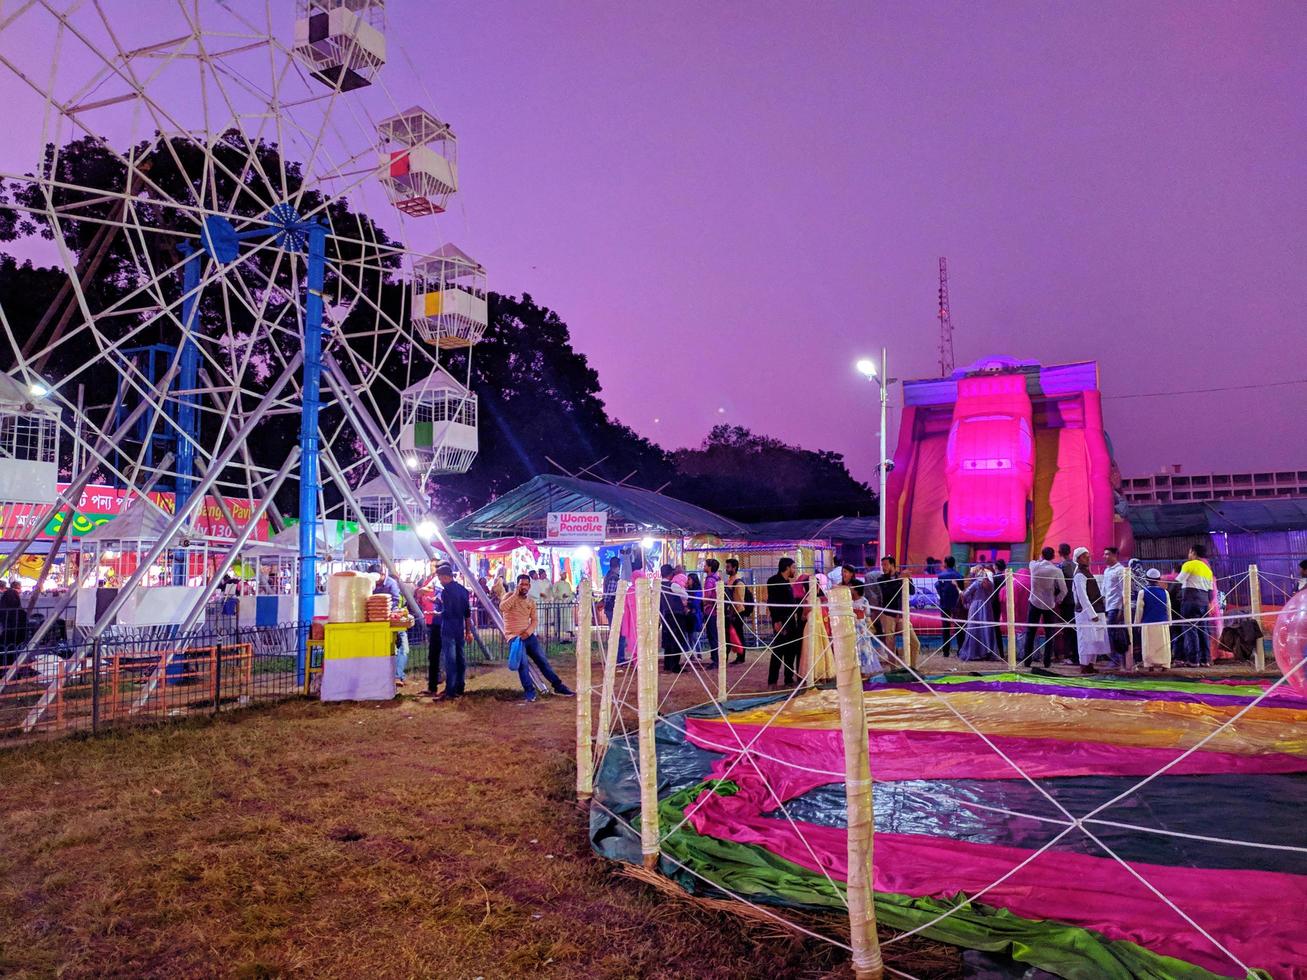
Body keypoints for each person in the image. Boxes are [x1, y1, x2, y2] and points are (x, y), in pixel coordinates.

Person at [501, 574, 575, 701]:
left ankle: (558, 686)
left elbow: (534, 620)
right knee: (523, 665)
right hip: (515, 638)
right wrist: (515, 594)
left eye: (526, 584)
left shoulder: (531, 602)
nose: (524, 587)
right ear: (517, 585)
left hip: (528, 636)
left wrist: (528, 632)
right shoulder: (508, 597)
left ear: (529, 586)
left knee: (543, 661)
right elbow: (503, 607)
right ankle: (530, 692)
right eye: (521, 584)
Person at [1024, 547, 1068, 668]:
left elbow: (1033, 561)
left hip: (1034, 602)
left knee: (1030, 633)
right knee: (1050, 634)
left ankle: (1027, 661)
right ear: (1053, 557)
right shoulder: (1056, 571)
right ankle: (1047, 662)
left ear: (1042, 555)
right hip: (1049, 604)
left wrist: (1039, 559)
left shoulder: (1033, 566)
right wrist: (1057, 600)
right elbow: (1064, 590)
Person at [434, 565, 473, 700]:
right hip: (459, 627)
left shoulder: (446, 592)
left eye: (440, 578)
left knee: (450, 660)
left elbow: (447, 612)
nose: (439, 581)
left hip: (448, 628)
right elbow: (467, 612)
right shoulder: (463, 590)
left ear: (446, 577)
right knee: (460, 658)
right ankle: (460, 687)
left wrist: (436, 613)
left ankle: (450, 691)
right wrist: (468, 631)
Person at [1072, 547, 1110, 674]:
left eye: (1088, 556)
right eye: (1084, 556)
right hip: (1086, 613)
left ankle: (1090, 664)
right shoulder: (1079, 575)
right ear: (1078, 559)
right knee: (1085, 639)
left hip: (1097, 610)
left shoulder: (1087, 572)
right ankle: (1084, 665)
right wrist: (1092, 613)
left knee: (1096, 639)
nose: (1088, 558)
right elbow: (1082, 596)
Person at [370, 563, 409, 687]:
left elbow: (396, 600)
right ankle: (396, 676)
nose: (375, 581)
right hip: (378, 623)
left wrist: (388, 612)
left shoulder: (391, 583)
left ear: (382, 574)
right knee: (389, 649)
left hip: (395, 619)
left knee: (404, 647)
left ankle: (398, 675)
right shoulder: (371, 584)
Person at [1176, 544, 1215, 666]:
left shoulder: (1189, 564)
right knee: (1203, 630)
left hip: (1190, 601)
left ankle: (1193, 660)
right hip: (1204, 603)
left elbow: (1178, 581)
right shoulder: (1208, 569)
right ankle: (1206, 660)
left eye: (1189, 552)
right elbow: (1210, 591)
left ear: (1193, 552)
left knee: (1190, 630)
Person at [766, 557, 802, 686]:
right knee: (778, 651)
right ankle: (772, 680)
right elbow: (772, 602)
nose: (795, 570)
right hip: (781, 621)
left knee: (790, 651)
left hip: (791, 620)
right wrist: (776, 621)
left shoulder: (787, 583)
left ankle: (788, 678)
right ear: (787, 567)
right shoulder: (773, 581)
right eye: (793, 567)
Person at [875, 556, 915, 657]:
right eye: (882, 565)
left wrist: (908, 579)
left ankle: (912, 667)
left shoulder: (902, 576)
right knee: (890, 644)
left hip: (902, 615)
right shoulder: (881, 579)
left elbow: (912, 591)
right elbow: (889, 593)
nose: (883, 567)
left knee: (914, 642)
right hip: (888, 615)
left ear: (892, 565)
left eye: (885, 565)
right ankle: (893, 669)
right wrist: (900, 579)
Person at [959, 565, 999, 661]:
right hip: (987, 607)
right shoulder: (990, 584)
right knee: (986, 629)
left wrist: (959, 590)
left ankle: (975, 652)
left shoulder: (976, 584)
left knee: (974, 629)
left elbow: (965, 594)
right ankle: (987, 652)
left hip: (976, 607)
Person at [1135, 568, 1173, 671]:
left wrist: (1137, 624)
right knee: (1164, 645)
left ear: (1146, 579)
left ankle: (1149, 665)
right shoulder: (1165, 592)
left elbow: (1139, 610)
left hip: (1148, 623)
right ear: (1158, 579)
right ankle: (1165, 665)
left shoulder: (1142, 592)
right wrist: (1169, 622)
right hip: (1163, 623)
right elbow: (1168, 608)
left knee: (1149, 645)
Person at [1101, 547, 1128, 666]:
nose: (1104, 556)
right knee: (1110, 633)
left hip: (1116, 606)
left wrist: (1121, 609)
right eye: (1104, 554)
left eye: (1107, 554)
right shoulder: (1107, 571)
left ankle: (1117, 659)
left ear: (1115, 555)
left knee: (1115, 633)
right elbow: (1104, 590)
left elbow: (1124, 591)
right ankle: (1115, 658)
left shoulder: (1120, 570)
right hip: (1107, 606)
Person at [659, 564, 688, 672]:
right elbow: (685, 595)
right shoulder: (673, 585)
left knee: (668, 639)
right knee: (677, 639)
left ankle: (667, 664)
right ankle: (675, 665)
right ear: (671, 574)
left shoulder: (658, 585)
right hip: (676, 614)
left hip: (665, 614)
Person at [416, 582, 442, 696]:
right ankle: (433, 686)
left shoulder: (443, 588)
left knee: (442, 655)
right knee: (434, 656)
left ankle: (444, 686)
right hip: (435, 623)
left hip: (442, 624)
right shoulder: (435, 583)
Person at [935, 556, 964, 656]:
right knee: (959, 627)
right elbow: (962, 590)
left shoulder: (941, 575)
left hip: (944, 604)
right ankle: (961, 650)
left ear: (946, 563)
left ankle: (946, 652)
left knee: (945, 628)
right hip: (956, 604)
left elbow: (938, 587)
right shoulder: (959, 575)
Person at [722, 558, 747, 664]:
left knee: (739, 634)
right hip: (730, 612)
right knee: (728, 635)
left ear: (734, 568)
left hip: (737, 613)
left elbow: (740, 601)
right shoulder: (729, 581)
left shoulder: (738, 582)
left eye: (728, 567)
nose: (726, 569)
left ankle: (741, 657)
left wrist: (734, 613)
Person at [1056, 543, 1078, 660]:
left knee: (1067, 628)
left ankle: (1070, 654)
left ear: (1059, 553)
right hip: (1076, 600)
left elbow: (1059, 585)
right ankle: (1075, 654)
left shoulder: (1060, 567)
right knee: (1075, 628)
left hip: (1066, 600)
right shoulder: (1076, 566)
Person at [602, 557, 622, 624]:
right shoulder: (613, 577)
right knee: (614, 627)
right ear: (618, 566)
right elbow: (609, 594)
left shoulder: (608, 575)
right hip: (612, 607)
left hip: (609, 607)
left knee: (613, 626)